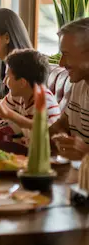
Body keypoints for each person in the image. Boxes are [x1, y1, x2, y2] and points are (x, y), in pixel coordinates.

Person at [0, 49, 61, 142]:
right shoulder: (18, 95)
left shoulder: (44, 101)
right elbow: (0, 111)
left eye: (7, 76)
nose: (4, 81)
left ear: (22, 82)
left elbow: (45, 132)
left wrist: (9, 115)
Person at [50, 18, 89, 160]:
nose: (61, 63)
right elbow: (61, 124)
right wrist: (60, 136)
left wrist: (85, 153)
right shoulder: (79, 84)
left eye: (66, 54)